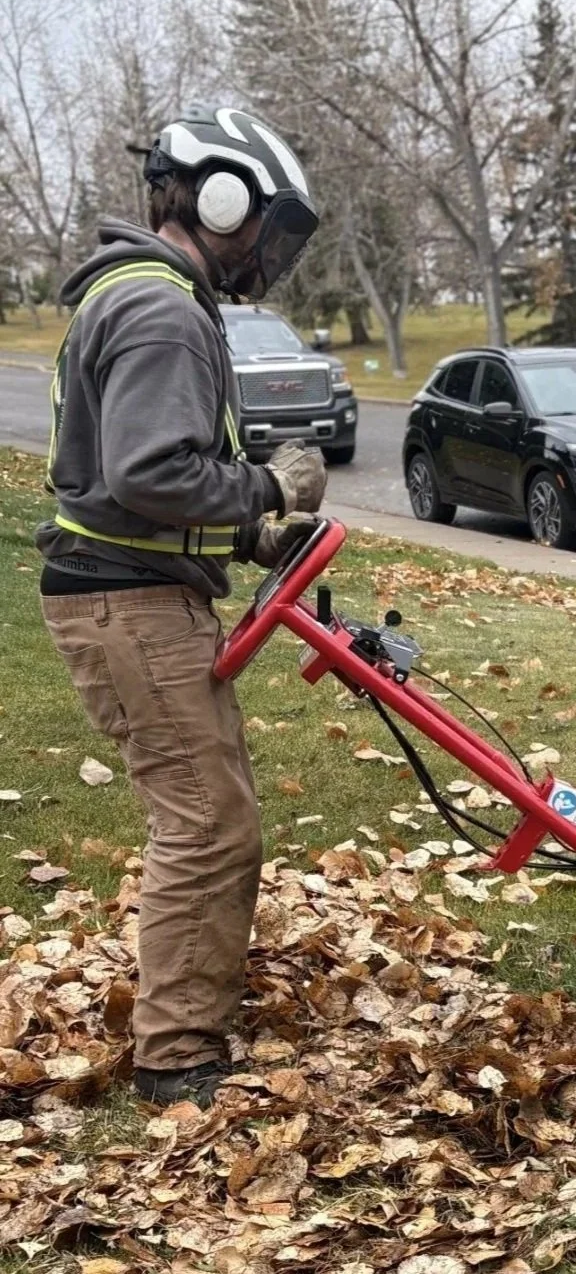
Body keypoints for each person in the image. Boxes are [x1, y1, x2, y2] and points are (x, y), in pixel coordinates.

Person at [37, 106, 326, 1107]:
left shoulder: (148, 298)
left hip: (136, 595)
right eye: (263, 227)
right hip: (128, 607)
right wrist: (267, 495)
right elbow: (153, 470)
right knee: (205, 826)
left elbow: (145, 479)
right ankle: (175, 1059)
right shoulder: (162, 310)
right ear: (219, 198)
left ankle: (188, 1014)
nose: (265, 253)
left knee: (216, 814)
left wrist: (248, 531)